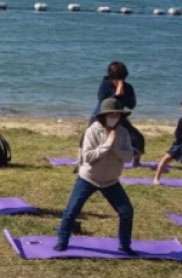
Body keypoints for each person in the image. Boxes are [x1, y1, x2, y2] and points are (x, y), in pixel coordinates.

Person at [55, 97, 136, 254]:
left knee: (126, 211)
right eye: (111, 114)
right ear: (104, 115)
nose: (114, 117)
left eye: (117, 114)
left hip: (111, 181)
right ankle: (62, 240)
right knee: (71, 210)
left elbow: (128, 157)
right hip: (88, 178)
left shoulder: (123, 132)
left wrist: (115, 148)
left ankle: (125, 245)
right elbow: (88, 157)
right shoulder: (92, 131)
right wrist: (106, 145)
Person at [94, 61, 145, 165]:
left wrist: (123, 95)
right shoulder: (105, 85)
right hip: (102, 116)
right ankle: (84, 159)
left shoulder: (128, 87)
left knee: (138, 138)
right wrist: (116, 94)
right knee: (90, 137)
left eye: (122, 78)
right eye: (117, 78)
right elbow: (103, 102)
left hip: (118, 118)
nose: (120, 81)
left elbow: (132, 105)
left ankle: (136, 161)